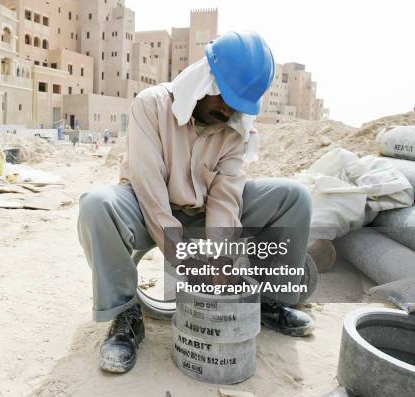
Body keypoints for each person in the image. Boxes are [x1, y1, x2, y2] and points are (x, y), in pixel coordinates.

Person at [77, 31, 314, 374]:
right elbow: (149, 189)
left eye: (237, 103)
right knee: (96, 205)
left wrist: (218, 258)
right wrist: (185, 258)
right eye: (223, 97)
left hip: (201, 211)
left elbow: (226, 197)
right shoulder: (151, 105)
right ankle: (125, 316)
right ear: (205, 81)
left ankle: (267, 302)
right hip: (147, 209)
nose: (229, 108)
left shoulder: (236, 128)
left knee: (293, 198)